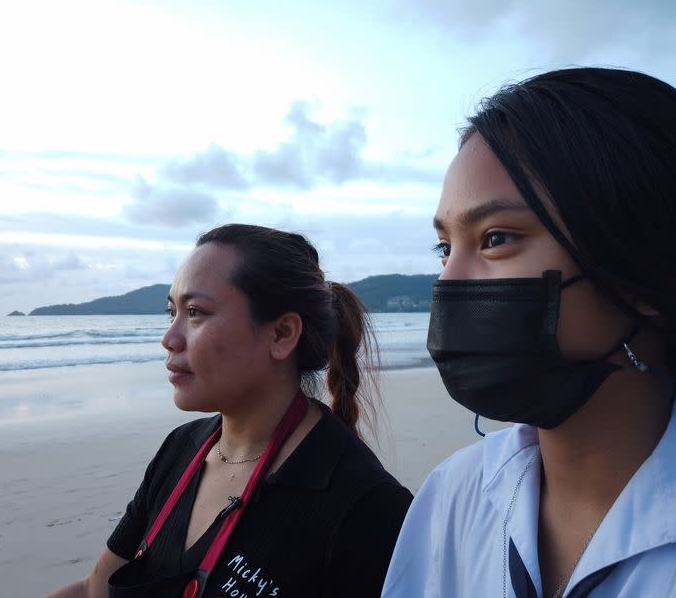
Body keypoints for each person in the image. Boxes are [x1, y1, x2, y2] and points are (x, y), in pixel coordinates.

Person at [382, 68, 676, 597]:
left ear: (648, 270)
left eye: (496, 238)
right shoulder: (450, 497)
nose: (447, 283)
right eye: (444, 248)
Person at [47, 223, 412, 598]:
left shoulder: (367, 509)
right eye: (171, 311)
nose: (169, 338)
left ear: (282, 334)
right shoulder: (182, 449)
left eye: (195, 312)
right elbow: (95, 588)